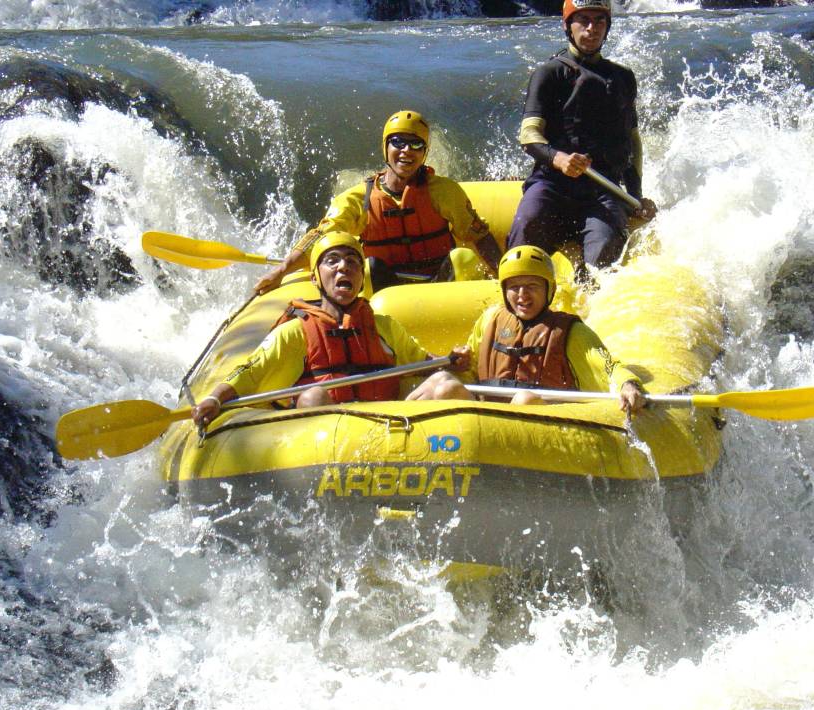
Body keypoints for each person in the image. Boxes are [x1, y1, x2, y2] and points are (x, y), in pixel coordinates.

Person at [193, 232, 460, 427]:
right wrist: (215, 399)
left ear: (361, 277)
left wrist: (452, 360)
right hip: (325, 442)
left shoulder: (384, 327)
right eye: (332, 261)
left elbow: (424, 365)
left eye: (352, 262)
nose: (344, 267)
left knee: (445, 383)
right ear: (315, 278)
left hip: (390, 426)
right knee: (313, 396)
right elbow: (249, 373)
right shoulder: (295, 332)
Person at [254, 110, 502, 295]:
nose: (406, 151)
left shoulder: (444, 191)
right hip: (384, 292)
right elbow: (321, 239)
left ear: (424, 153)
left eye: (416, 144)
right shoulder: (358, 199)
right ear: (386, 147)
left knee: (463, 259)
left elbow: (478, 235)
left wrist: (506, 278)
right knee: (368, 267)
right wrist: (281, 270)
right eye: (398, 142)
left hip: (438, 288)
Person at [506, 0, 657, 272]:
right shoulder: (549, 73)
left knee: (602, 258)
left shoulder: (622, 77)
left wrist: (635, 196)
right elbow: (529, 135)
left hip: (603, 188)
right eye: (583, 20)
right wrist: (558, 158)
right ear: (568, 26)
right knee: (527, 225)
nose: (591, 28)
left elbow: (632, 141)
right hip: (552, 183)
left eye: (599, 21)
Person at [409, 245, 646, 412]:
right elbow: (470, 371)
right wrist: (458, 363)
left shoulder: (571, 333)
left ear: (549, 290)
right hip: (488, 422)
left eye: (532, 286)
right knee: (442, 381)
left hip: (542, 428)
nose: (522, 296)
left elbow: (609, 368)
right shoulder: (490, 320)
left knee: (524, 400)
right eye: (514, 287)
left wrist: (629, 384)